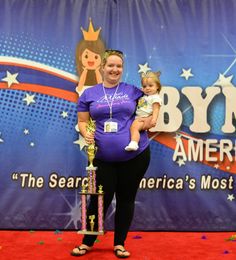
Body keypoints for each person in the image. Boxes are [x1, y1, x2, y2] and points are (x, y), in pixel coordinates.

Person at [71, 49, 153, 258]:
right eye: (111, 65)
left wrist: (147, 122)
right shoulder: (89, 94)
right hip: (102, 158)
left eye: (119, 66)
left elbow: (150, 111)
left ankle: (119, 244)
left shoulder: (134, 91)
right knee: (99, 199)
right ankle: (87, 242)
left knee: (126, 199)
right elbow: (82, 121)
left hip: (135, 156)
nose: (115, 69)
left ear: (122, 69)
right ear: (102, 67)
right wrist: (85, 133)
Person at [125, 71, 162, 151]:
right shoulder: (146, 96)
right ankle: (134, 142)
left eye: (150, 86)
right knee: (134, 128)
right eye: (144, 86)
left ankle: (134, 143)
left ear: (157, 86)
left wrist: (153, 119)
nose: (147, 88)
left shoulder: (155, 98)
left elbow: (156, 109)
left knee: (134, 128)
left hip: (144, 118)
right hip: (139, 117)